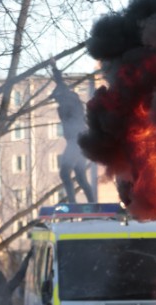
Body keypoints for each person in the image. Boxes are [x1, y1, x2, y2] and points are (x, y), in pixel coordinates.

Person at [50, 63, 96, 203]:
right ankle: (91, 203)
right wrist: (54, 68)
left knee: (65, 173)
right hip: (79, 143)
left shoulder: (71, 102)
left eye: (57, 98)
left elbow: (61, 85)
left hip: (76, 142)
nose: (57, 101)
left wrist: (54, 69)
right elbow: (60, 83)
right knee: (81, 176)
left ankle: (72, 203)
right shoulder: (66, 104)